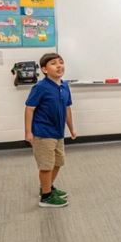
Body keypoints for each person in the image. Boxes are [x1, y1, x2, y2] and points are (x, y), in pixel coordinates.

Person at [24, 53, 77, 208]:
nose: (59, 65)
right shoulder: (40, 87)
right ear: (44, 70)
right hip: (43, 133)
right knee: (46, 166)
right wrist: (28, 132)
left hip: (58, 132)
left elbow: (67, 108)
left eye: (61, 62)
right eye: (54, 63)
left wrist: (72, 129)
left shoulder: (64, 85)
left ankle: (47, 187)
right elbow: (29, 109)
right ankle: (46, 197)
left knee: (58, 162)